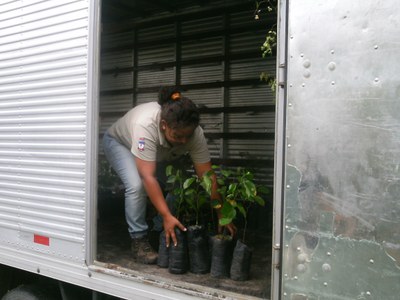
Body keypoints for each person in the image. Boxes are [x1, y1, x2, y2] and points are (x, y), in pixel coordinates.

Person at [102, 86, 236, 264]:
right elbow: (147, 176)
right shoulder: (145, 125)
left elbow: (207, 175)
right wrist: (166, 214)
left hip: (158, 151)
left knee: (181, 184)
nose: (184, 141)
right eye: (178, 136)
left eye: (187, 136)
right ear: (164, 125)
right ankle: (139, 239)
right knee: (136, 185)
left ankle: (159, 229)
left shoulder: (194, 135)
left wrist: (222, 212)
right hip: (120, 143)